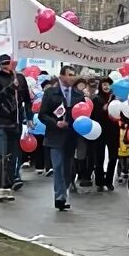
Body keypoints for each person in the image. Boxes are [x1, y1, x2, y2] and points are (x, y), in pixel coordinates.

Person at [0, 55, 32, 201]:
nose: (7, 66)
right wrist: (10, 88)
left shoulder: (20, 78)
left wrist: (30, 118)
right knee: (2, 155)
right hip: (0, 121)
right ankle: (1, 187)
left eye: (9, 63)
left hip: (16, 121)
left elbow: (26, 99)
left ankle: (9, 184)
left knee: (14, 155)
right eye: (4, 64)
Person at [39, 65, 83, 210]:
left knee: (67, 168)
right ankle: (60, 197)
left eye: (73, 75)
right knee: (57, 166)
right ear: (61, 76)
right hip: (55, 136)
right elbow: (42, 114)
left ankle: (64, 192)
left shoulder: (78, 94)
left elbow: (82, 115)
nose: (72, 78)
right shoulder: (51, 93)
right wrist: (55, 123)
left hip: (71, 136)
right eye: (69, 75)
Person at [91, 77, 118, 191]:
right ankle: (99, 181)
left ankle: (109, 181)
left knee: (113, 157)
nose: (107, 87)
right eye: (104, 84)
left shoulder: (116, 99)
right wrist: (104, 109)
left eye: (109, 84)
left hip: (113, 131)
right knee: (99, 158)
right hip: (100, 131)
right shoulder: (96, 99)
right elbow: (93, 116)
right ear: (101, 86)